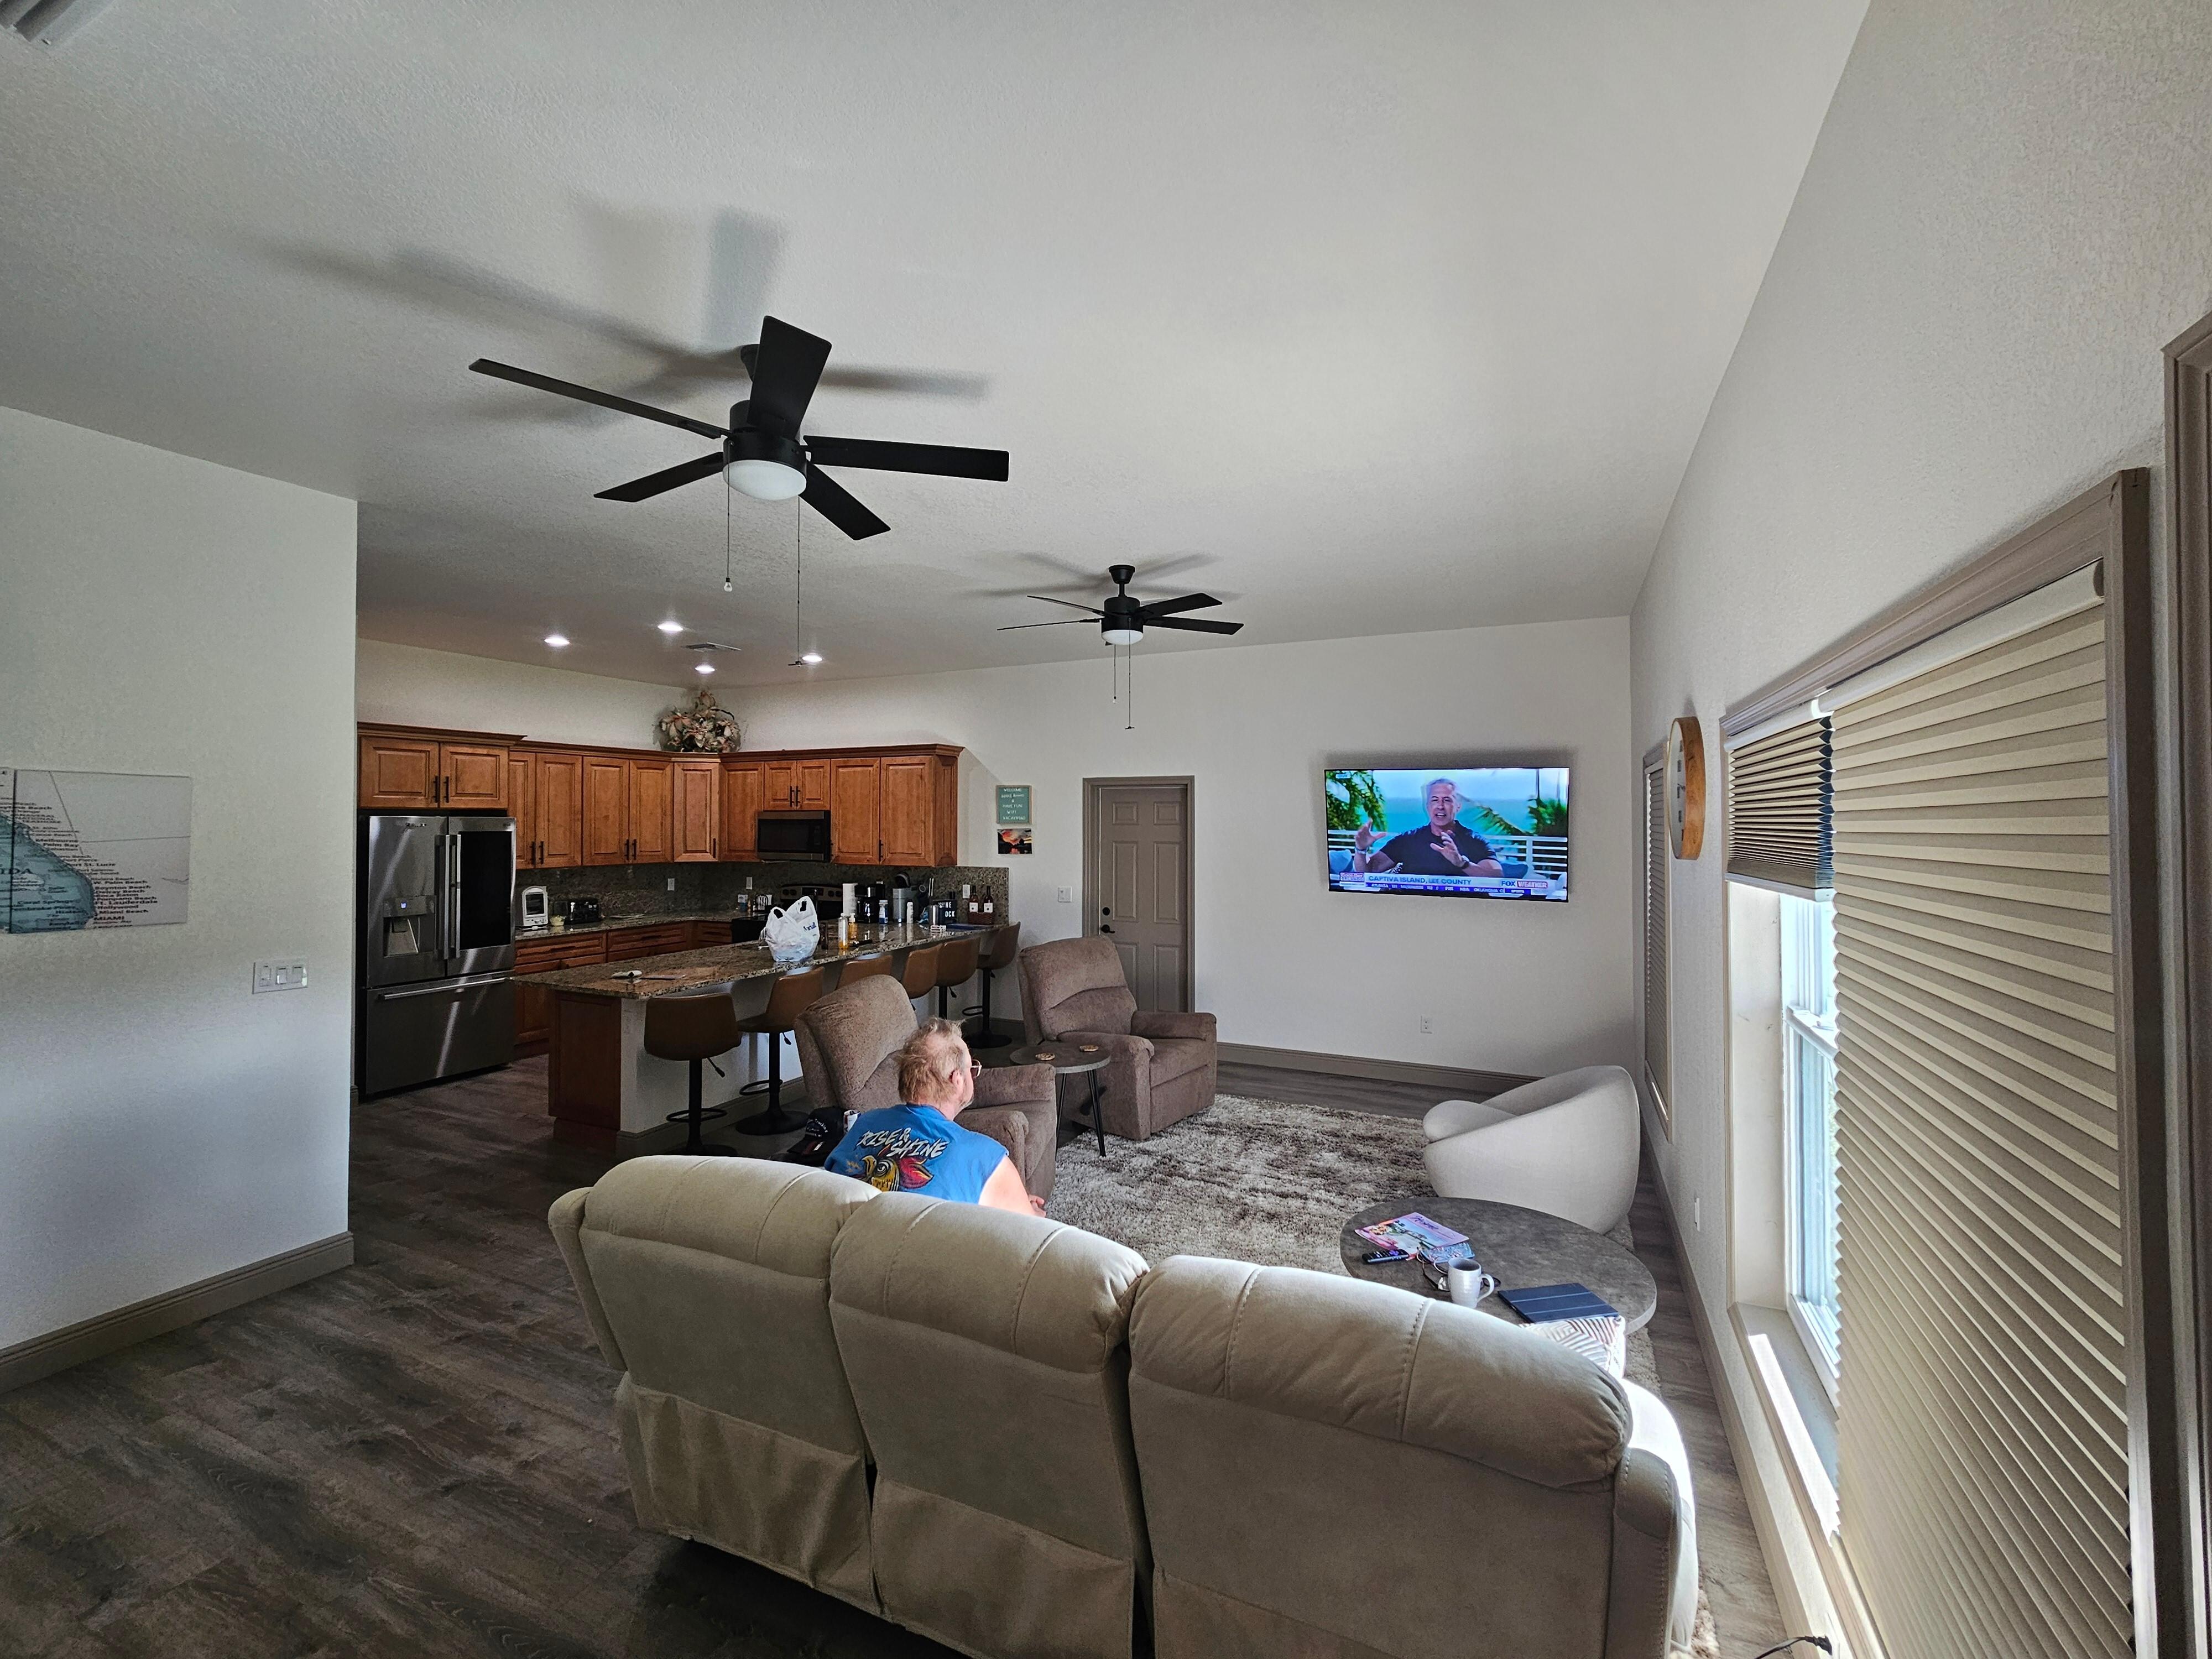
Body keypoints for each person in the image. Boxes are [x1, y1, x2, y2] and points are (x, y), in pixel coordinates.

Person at [823, 1018, 1045, 1214]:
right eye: (971, 1069)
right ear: (956, 1080)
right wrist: (1030, 1210)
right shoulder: (987, 1159)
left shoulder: (864, 1124)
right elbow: (1030, 1235)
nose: (973, 1076)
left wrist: (1006, 1196)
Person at [1352, 778, 1505, 878]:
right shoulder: (1408, 840)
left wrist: (1462, 863)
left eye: (1447, 800)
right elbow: (1368, 871)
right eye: (1435, 800)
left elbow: (1497, 877)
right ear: (1427, 806)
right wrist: (1361, 850)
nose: (1440, 806)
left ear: (1458, 806)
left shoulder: (1475, 841)